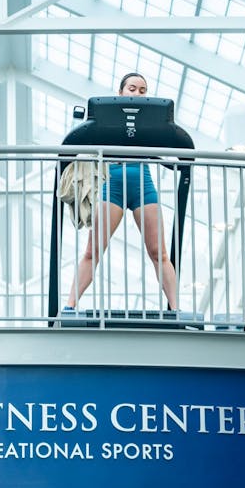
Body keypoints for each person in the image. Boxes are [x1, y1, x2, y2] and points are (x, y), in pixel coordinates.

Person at [64, 72, 178, 311]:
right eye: (132, 89)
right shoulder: (108, 117)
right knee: (92, 251)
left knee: (159, 252)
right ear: (121, 93)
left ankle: (176, 308)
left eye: (143, 91)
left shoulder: (150, 120)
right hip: (112, 183)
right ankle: (69, 305)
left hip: (142, 184)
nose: (137, 93)